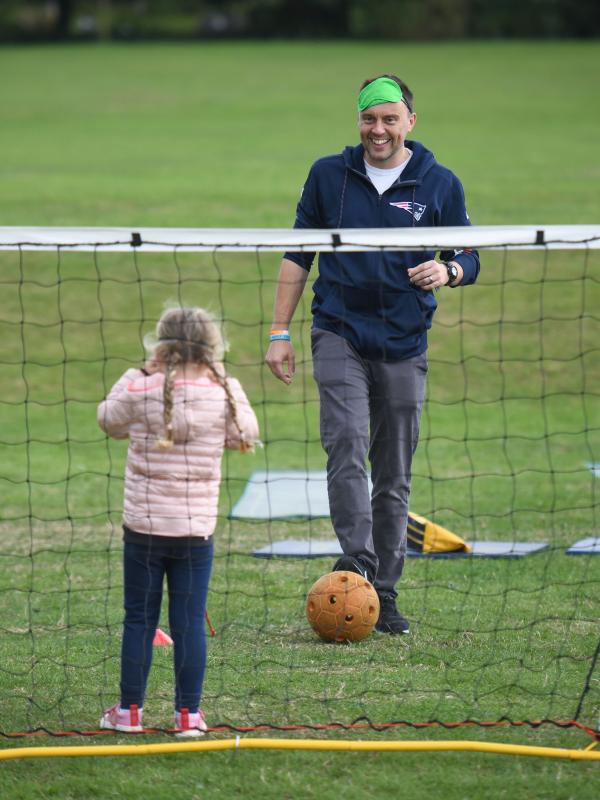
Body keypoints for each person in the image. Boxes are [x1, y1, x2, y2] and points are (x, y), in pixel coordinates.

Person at [265, 74, 480, 635]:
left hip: (405, 344)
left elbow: (470, 254)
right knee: (346, 441)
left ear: (410, 121)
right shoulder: (328, 177)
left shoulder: (439, 183)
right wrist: (279, 331)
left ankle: (382, 589)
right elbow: (298, 253)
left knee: (393, 471)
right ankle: (357, 560)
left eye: (389, 119)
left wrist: (448, 269)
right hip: (338, 331)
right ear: (357, 121)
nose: (377, 130)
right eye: (368, 119)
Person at [98, 306, 259, 735]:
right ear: (211, 346)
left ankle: (129, 713)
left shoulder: (142, 385)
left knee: (139, 619)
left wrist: (137, 371)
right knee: (188, 622)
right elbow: (246, 433)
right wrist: (225, 381)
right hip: (194, 531)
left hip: (144, 529)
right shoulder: (223, 389)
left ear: (161, 345)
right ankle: (189, 715)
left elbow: (107, 419)